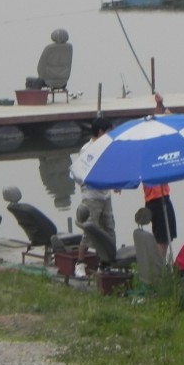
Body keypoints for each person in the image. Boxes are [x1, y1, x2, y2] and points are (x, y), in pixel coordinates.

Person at [76, 117, 116, 277]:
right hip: (92, 196)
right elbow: (84, 174)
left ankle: (106, 263)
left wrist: (115, 182)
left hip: (106, 195)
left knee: (109, 229)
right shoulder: (87, 150)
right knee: (89, 230)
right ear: (100, 132)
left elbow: (110, 169)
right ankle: (80, 264)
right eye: (108, 132)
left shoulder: (106, 147)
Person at [146, 93, 177, 259]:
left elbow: (158, 123)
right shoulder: (150, 148)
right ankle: (159, 269)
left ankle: (161, 266)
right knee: (162, 238)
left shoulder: (157, 145)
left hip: (163, 196)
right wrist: (164, 114)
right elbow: (156, 127)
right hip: (156, 199)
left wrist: (160, 104)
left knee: (167, 236)